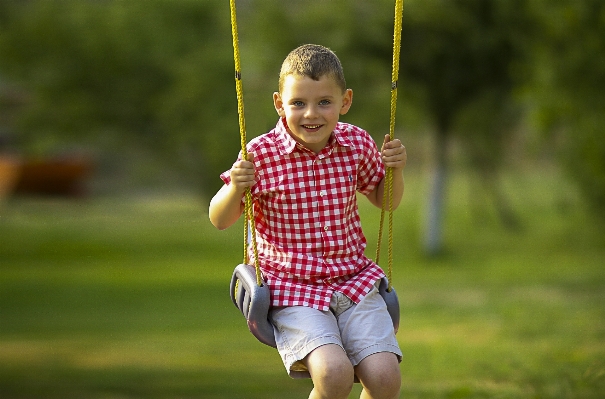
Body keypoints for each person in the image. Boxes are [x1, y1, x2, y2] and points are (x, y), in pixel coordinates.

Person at [209, 44, 407, 399]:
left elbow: (385, 201)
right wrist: (235, 188)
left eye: (324, 102)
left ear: (345, 101)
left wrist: (395, 171)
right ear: (278, 103)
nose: (311, 113)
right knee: (334, 375)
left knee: (385, 378)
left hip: (353, 282)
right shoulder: (261, 153)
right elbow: (220, 219)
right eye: (298, 103)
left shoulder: (356, 143)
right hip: (292, 288)